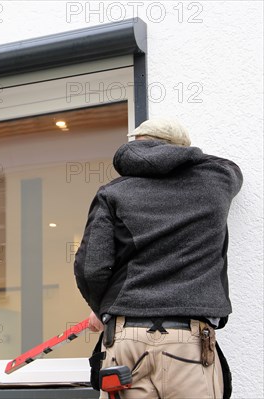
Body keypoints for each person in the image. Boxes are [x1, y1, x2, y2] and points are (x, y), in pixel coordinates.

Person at [74, 118, 242, 398]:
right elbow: (231, 167)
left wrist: (101, 307)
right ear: (182, 150)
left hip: (126, 340)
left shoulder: (113, 192)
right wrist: (183, 157)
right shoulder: (217, 181)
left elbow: (91, 269)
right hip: (188, 343)